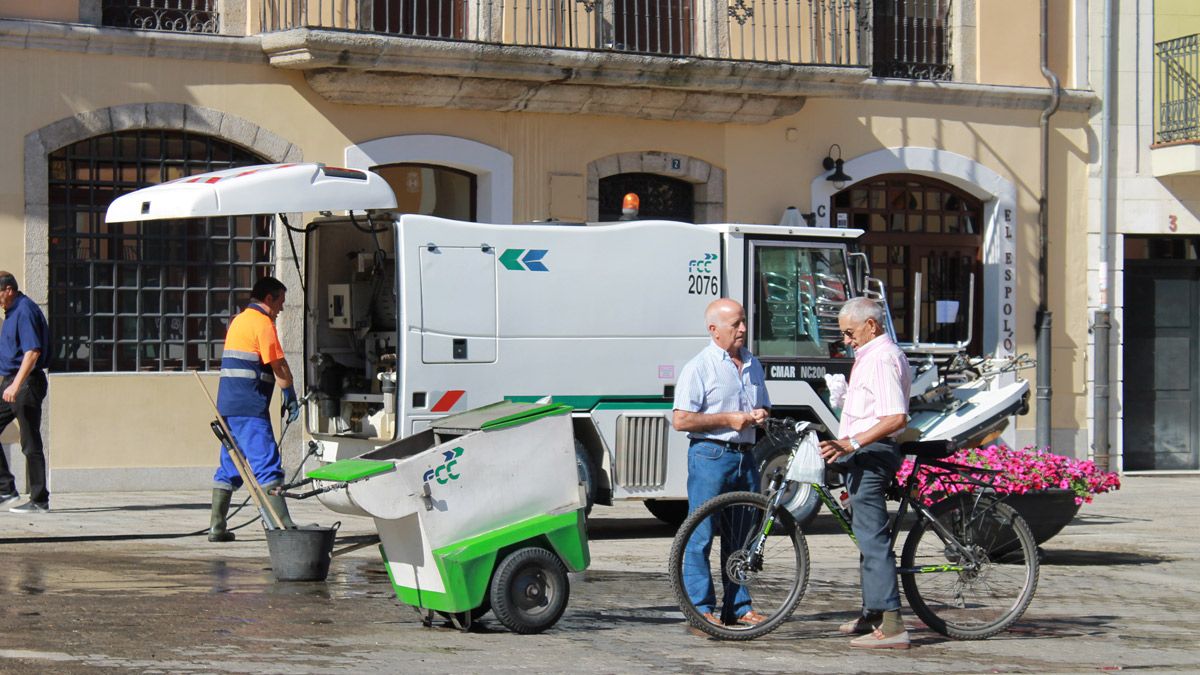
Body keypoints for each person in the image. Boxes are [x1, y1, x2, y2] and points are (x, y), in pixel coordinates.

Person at [818, 297, 913, 650]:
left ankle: (893, 625)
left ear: (870, 326)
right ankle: (874, 611)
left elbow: (894, 417)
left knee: (873, 537)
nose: (846, 339)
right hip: (864, 452)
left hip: (872, 455)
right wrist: (843, 400)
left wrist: (851, 443)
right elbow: (871, 410)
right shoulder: (869, 358)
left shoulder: (883, 358)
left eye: (849, 332)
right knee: (865, 534)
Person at [673, 298, 771, 628]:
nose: (743, 329)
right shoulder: (698, 367)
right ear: (714, 330)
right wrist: (728, 420)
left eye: (744, 322)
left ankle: (738, 607)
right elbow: (681, 420)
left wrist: (761, 416)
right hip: (711, 456)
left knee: (742, 539)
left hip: (746, 458)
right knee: (700, 535)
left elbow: (766, 406)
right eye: (735, 324)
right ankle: (700, 608)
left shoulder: (753, 364)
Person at [208, 276, 299, 541]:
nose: (281, 308)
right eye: (280, 301)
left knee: (230, 465)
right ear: (268, 299)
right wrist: (289, 392)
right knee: (266, 464)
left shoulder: (238, 321)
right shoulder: (262, 323)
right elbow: (277, 364)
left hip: (227, 406)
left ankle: (217, 527)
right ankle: (282, 525)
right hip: (250, 408)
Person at [0, 272, 50, 514]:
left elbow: (32, 352)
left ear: (9, 289)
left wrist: (16, 385)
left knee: (30, 442)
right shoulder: (11, 312)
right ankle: (6, 489)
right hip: (12, 380)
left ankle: (39, 500)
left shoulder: (25, 311)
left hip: (26, 381)